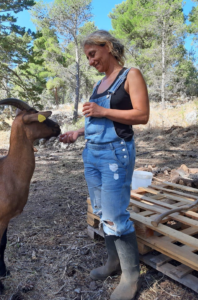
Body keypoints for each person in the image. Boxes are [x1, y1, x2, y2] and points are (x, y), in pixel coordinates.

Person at [59, 30, 149, 300]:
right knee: (101, 210)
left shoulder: (130, 75)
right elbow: (98, 121)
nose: (90, 61)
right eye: (87, 57)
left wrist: (102, 111)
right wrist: (79, 132)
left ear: (107, 47)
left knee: (116, 215)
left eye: (93, 54)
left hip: (115, 154)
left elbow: (141, 115)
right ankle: (113, 262)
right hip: (92, 154)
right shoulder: (98, 85)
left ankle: (131, 277)